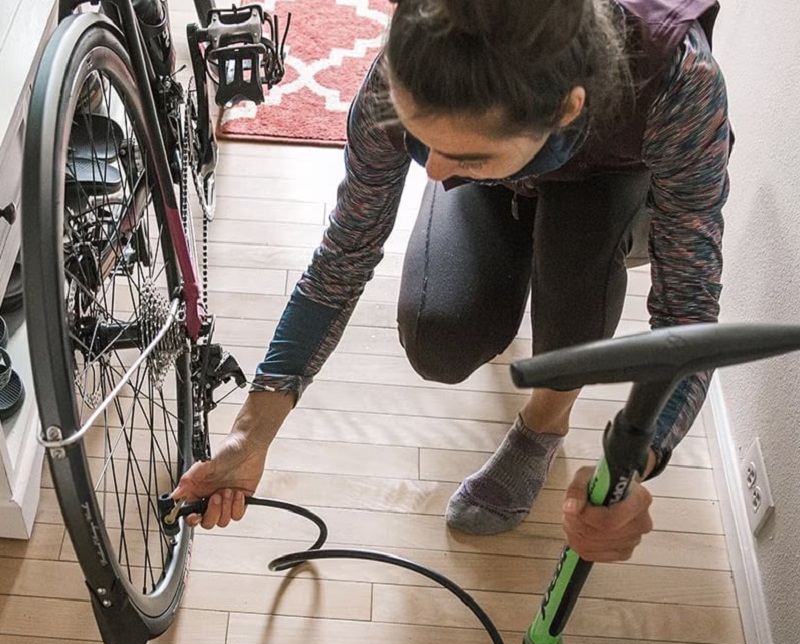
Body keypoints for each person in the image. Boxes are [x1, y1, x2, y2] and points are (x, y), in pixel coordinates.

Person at [174, 0, 731, 563]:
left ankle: (544, 425)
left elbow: (689, 308)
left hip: (613, 177)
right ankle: (493, 181)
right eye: (421, 138)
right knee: (439, 334)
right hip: (506, 176)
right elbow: (346, 250)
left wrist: (632, 464)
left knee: (575, 271)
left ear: (566, 110)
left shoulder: (679, 82)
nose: (432, 171)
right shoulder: (405, 70)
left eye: (461, 151)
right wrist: (251, 432)